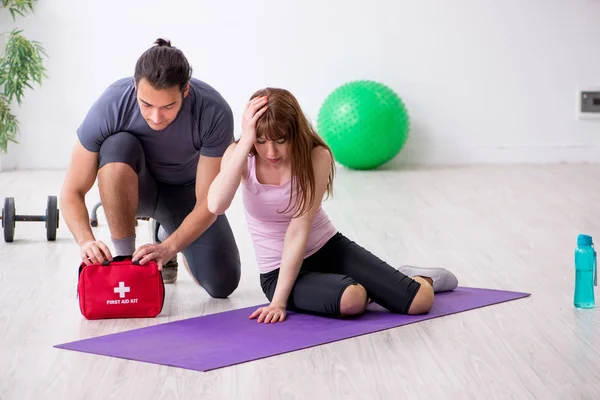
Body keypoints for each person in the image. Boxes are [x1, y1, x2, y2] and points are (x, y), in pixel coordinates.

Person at [207, 88, 459, 323]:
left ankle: (415, 277)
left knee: (420, 301)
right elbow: (217, 204)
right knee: (353, 299)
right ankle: (363, 286)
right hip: (277, 270)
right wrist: (278, 301)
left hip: (328, 248)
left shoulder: (316, 155)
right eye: (261, 141)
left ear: (294, 132)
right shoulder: (239, 155)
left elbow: (299, 228)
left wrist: (281, 304)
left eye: (280, 140)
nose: (271, 152)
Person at [60, 38, 241, 298]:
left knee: (222, 283)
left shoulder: (213, 111)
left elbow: (208, 203)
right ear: (135, 88)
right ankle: (127, 261)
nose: (156, 117)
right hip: (136, 189)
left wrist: (170, 247)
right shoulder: (112, 103)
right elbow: (72, 190)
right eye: (147, 105)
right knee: (117, 145)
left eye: (168, 106)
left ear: (185, 90)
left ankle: (164, 231)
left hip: (186, 195)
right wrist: (85, 241)